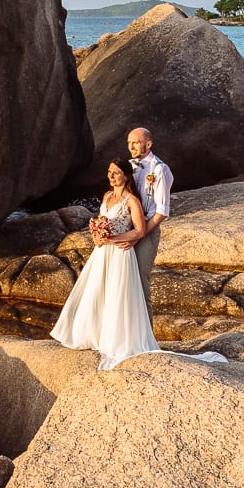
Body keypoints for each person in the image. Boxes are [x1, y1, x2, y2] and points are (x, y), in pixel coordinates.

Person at [50, 159, 161, 371]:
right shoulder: (107, 196)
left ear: (126, 176)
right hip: (102, 252)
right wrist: (97, 235)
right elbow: (100, 221)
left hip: (120, 253)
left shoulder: (132, 201)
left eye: (116, 173)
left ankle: (116, 339)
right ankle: (93, 333)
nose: (111, 176)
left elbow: (140, 230)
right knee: (97, 291)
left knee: (117, 294)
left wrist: (115, 238)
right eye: (110, 172)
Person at [118, 126, 171, 311]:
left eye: (136, 143)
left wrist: (138, 235)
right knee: (123, 281)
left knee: (140, 283)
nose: (131, 147)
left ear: (148, 144)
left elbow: (162, 212)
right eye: (129, 143)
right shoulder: (129, 167)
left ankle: (146, 337)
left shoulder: (159, 170)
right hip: (126, 229)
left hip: (147, 231)